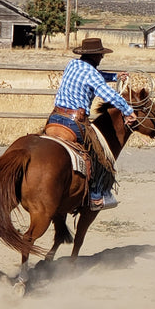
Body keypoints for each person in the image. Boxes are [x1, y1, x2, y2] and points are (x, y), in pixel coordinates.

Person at [45, 37, 135, 210]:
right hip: (74, 123)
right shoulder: (92, 74)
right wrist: (128, 110)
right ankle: (95, 195)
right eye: (100, 55)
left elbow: (94, 75)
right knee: (99, 153)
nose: (101, 58)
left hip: (55, 118)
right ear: (95, 56)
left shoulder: (72, 65)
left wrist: (114, 76)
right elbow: (107, 94)